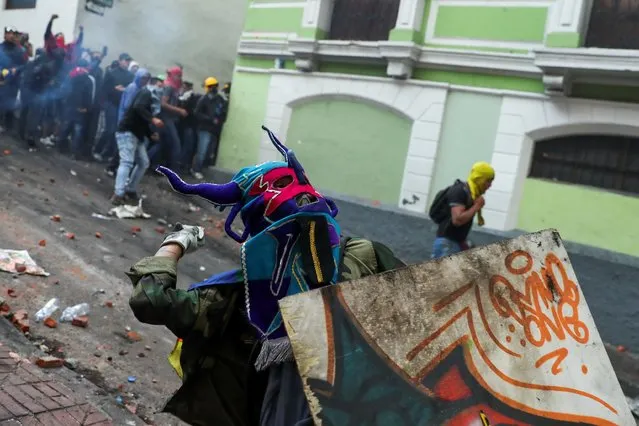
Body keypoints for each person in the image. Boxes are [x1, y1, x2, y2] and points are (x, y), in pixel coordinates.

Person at [126, 125, 404, 426]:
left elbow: (152, 300)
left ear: (255, 227)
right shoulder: (368, 256)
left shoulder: (241, 298)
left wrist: (174, 244)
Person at [110, 77, 163, 205]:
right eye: (160, 84)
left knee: (143, 162)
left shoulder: (150, 100)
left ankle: (130, 189)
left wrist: (150, 134)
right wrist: (153, 120)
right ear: (153, 83)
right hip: (127, 131)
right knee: (127, 162)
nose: (162, 87)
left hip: (136, 134)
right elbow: (138, 107)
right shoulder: (146, 93)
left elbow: (142, 120)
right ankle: (118, 194)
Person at [430, 161, 494, 259]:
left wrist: (464, 244)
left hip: (455, 244)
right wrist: (476, 207)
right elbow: (457, 220)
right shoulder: (459, 191)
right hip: (447, 245)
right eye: (488, 181)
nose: (490, 185)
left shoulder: (471, 194)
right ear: (479, 178)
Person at [191, 76, 224, 179]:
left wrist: (219, 119)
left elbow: (222, 110)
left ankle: (202, 168)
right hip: (204, 129)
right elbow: (196, 113)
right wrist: (210, 119)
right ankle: (195, 169)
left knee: (209, 151)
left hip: (214, 130)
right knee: (202, 151)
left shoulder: (219, 99)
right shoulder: (203, 99)